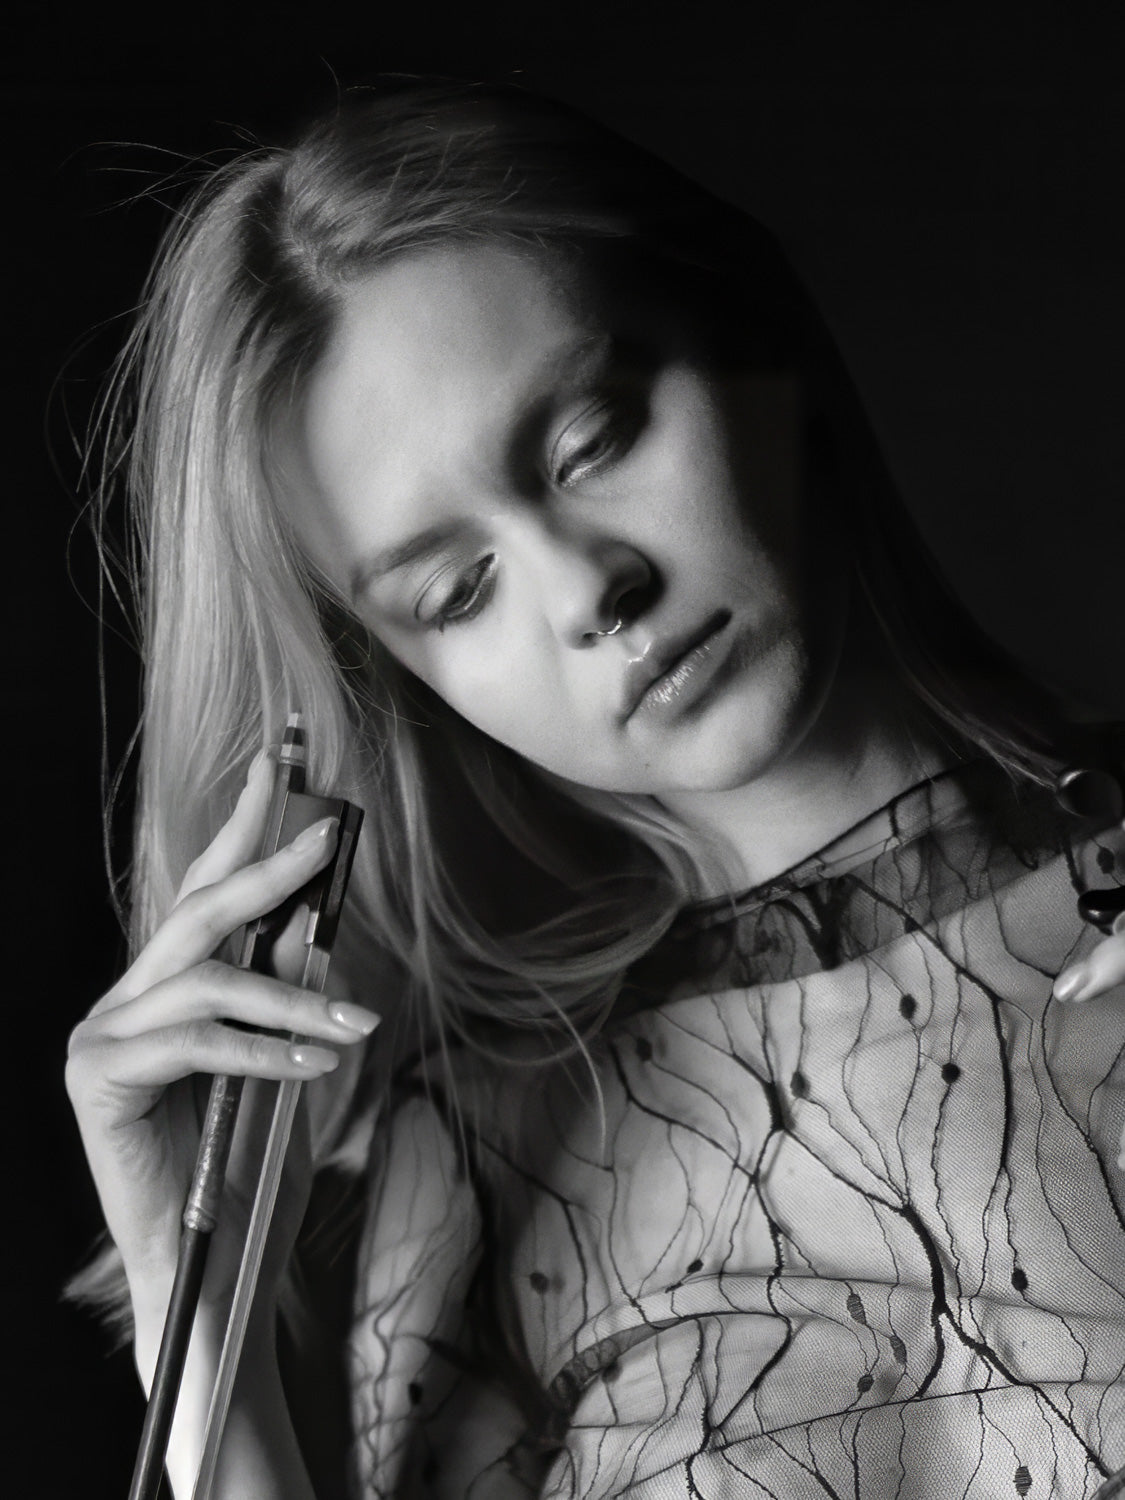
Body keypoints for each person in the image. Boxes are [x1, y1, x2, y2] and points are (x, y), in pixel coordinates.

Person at [65, 80, 1125, 1498]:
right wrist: (196, 1310)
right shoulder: (481, 1157)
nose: (585, 589)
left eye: (592, 442)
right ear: (402, 678)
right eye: (458, 591)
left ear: (750, 339)